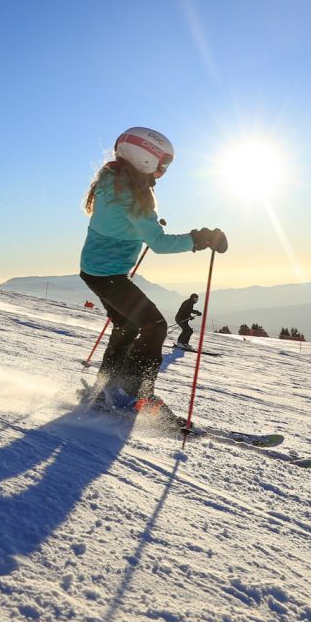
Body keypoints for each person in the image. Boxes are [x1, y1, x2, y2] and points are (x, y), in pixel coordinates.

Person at [79, 126, 228, 425]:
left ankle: (107, 386)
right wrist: (200, 239)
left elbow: (132, 227)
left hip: (95, 271)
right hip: (110, 275)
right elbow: (159, 243)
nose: (165, 169)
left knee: (126, 324)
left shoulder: (111, 179)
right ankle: (132, 393)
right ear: (146, 158)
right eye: (165, 162)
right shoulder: (132, 196)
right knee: (155, 325)